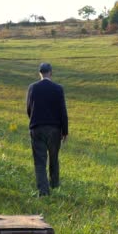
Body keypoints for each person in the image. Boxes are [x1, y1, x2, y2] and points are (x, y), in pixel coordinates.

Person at [26, 62, 68, 196]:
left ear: (40, 73)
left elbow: (28, 108)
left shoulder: (32, 88)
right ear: (51, 72)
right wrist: (65, 131)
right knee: (54, 158)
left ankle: (43, 192)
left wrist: (34, 121)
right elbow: (63, 111)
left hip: (37, 128)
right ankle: (55, 185)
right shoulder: (58, 88)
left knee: (39, 161)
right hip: (55, 129)